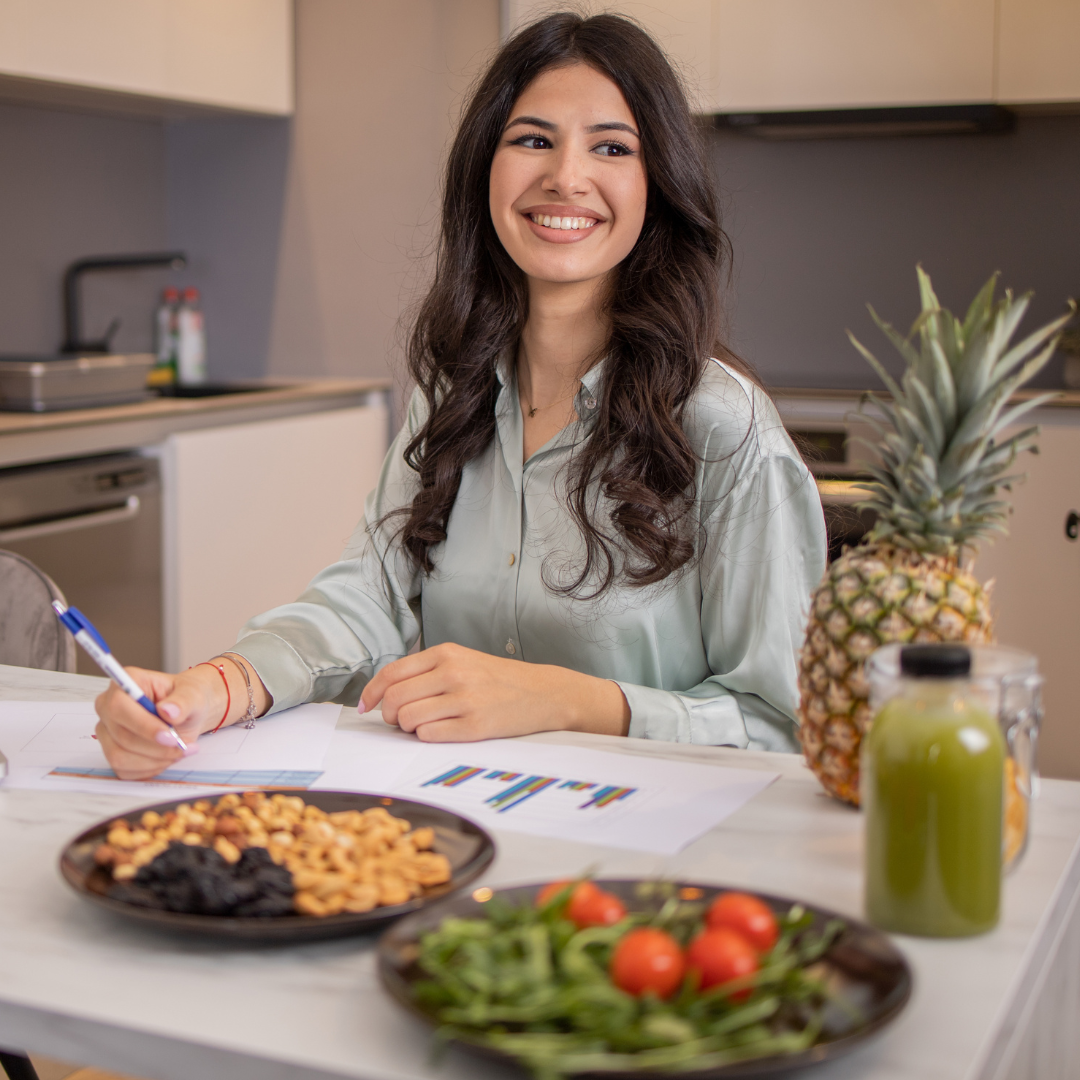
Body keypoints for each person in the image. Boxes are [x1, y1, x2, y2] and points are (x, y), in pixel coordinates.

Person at [95, 12, 827, 781]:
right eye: (533, 139)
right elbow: (366, 597)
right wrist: (213, 689)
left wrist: (565, 700)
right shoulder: (455, 387)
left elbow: (782, 725)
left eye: (611, 147)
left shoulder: (724, 426)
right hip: (457, 822)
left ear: (659, 185)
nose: (565, 176)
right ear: (486, 168)